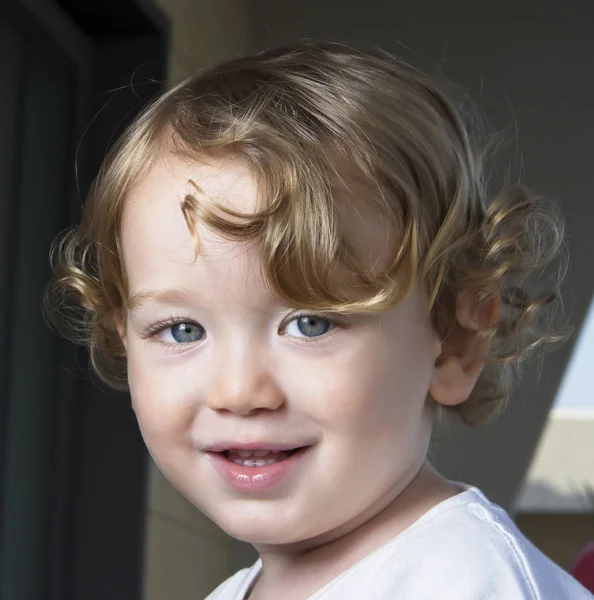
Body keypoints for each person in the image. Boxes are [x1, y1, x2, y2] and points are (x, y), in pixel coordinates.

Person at [45, 42, 593, 599]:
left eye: (310, 323)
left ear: (453, 341)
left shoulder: (461, 581)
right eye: (182, 330)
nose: (240, 391)